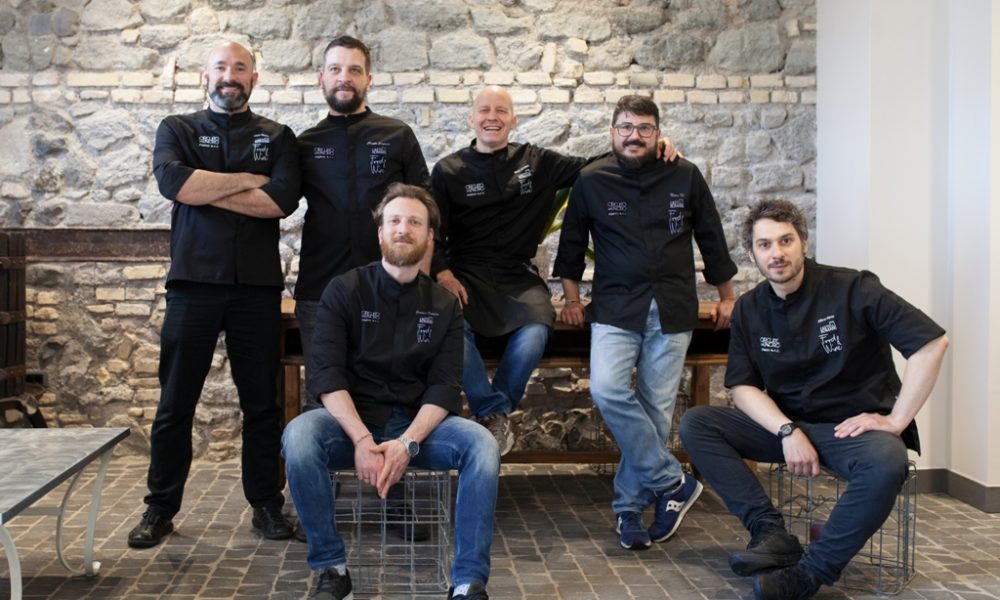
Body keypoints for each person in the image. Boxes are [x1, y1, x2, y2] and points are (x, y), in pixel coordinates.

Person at [679, 199, 948, 599]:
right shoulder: (750, 308)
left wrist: (896, 421)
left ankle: (809, 574)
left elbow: (931, 343)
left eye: (785, 240)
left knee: (887, 462)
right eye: (765, 244)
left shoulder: (854, 288)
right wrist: (787, 431)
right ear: (752, 253)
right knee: (698, 423)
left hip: (852, 431)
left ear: (803, 242)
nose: (777, 253)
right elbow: (742, 387)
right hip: (791, 428)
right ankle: (770, 533)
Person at [431, 86, 677, 454]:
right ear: (471, 119)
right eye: (484, 110)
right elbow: (433, 232)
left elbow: (591, 165)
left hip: (517, 275)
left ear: (514, 119)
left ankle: (493, 414)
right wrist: (443, 274)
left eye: (501, 110)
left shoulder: (537, 161)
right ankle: (493, 412)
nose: (492, 117)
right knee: (449, 329)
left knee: (536, 329)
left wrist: (648, 146)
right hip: (464, 273)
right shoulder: (447, 170)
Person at [282, 183, 500, 600]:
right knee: (299, 436)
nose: (403, 229)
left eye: (414, 222)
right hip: (350, 424)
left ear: (429, 236)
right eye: (395, 220)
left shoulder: (444, 304)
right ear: (380, 232)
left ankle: (468, 583)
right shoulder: (344, 290)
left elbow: (445, 386)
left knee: (482, 445)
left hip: (418, 428)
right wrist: (361, 439)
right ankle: (332, 570)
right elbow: (327, 377)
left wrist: (406, 443)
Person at [128, 41, 301, 548]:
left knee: (262, 406)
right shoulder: (176, 128)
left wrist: (206, 188)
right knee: (175, 403)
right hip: (192, 286)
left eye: (240, 67)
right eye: (221, 67)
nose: (230, 75)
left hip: (257, 290)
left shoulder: (278, 136)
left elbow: (280, 202)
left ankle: (266, 505)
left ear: (254, 78)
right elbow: (173, 184)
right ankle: (160, 508)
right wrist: (247, 181)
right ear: (205, 76)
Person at [553, 95, 738, 551]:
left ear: (658, 133)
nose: (634, 135)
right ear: (612, 132)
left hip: (673, 308)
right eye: (626, 127)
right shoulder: (592, 180)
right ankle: (673, 481)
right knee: (607, 389)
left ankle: (629, 509)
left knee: (656, 410)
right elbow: (571, 242)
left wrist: (728, 296)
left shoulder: (685, 175)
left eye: (644, 128)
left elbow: (711, 237)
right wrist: (572, 298)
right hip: (616, 308)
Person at [295, 35, 431, 359]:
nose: (344, 77)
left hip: (390, 285)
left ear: (368, 79)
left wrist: (424, 280)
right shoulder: (305, 144)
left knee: (389, 382)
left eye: (354, 70)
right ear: (322, 78)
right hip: (319, 289)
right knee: (323, 384)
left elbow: (426, 209)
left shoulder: (398, 135)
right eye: (335, 69)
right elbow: (277, 198)